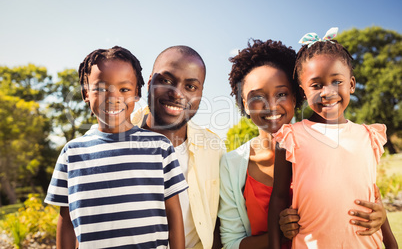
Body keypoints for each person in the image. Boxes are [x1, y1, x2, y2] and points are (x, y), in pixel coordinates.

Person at [219, 39, 390, 249]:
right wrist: (280, 234)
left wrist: (379, 215)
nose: (271, 106)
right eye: (257, 97)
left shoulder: (321, 143)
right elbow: (230, 244)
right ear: (244, 102)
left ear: (295, 96)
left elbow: (364, 191)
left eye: (281, 94)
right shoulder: (232, 165)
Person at [45, 46, 188, 249]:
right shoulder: (71, 154)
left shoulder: (159, 148)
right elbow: (66, 222)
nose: (113, 98)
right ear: (86, 93)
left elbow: (174, 215)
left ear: (137, 93)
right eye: (101, 88)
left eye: (124, 89)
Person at [268, 28, 398, 248]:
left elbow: (373, 198)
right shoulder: (291, 137)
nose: (327, 92)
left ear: (352, 84)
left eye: (337, 81)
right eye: (316, 85)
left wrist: (393, 245)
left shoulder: (369, 136)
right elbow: (279, 197)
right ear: (303, 92)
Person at [132, 45, 225, 249]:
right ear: (149, 82)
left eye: (190, 86)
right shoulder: (115, 139)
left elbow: (219, 223)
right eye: (166, 81)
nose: (177, 94)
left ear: (200, 93)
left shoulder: (214, 149)